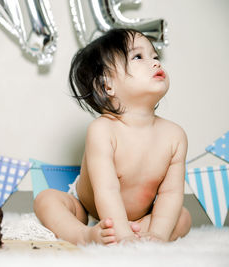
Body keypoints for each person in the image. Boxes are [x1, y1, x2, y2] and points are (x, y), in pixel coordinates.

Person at [34, 29, 191, 245]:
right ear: (107, 85)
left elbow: (171, 194)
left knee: (182, 217)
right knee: (46, 199)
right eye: (138, 57)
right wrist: (121, 234)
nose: (155, 63)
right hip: (88, 210)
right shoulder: (103, 130)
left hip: (140, 219)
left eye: (155, 56)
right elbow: (106, 189)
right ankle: (84, 235)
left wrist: (159, 233)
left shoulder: (175, 136)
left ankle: (145, 234)